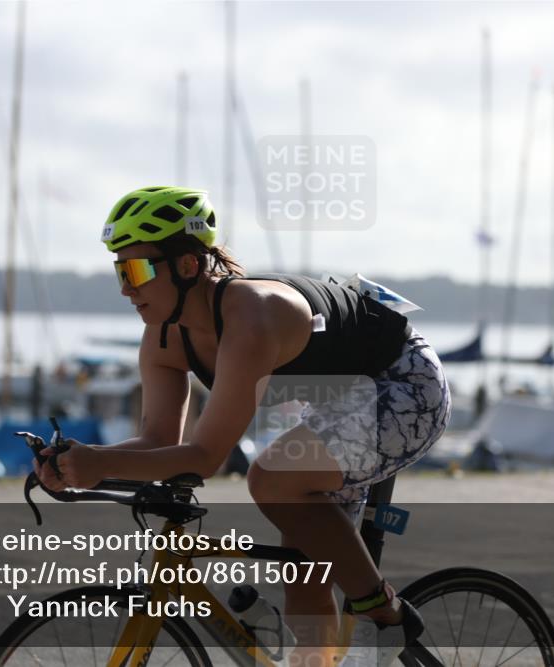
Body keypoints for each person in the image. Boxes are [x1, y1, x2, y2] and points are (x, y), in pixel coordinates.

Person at [35, 186, 451, 666]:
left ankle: (386, 615)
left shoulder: (251, 316)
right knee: (304, 583)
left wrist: (99, 464)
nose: (126, 288)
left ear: (187, 265)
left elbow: (204, 457)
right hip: (339, 401)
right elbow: (158, 441)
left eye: (137, 271)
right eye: (119, 272)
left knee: (272, 478)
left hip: (404, 382)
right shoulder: (163, 338)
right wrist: (77, 462)